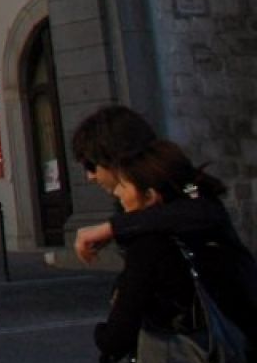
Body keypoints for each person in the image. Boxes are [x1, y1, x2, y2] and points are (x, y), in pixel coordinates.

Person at [93, 140, 257, 363]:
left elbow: (117, 337)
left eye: (123, 185)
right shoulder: (208, 229)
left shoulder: (149, 247)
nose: (118, 194)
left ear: (150, 195)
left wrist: (100, 333)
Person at [75, 106, 223, 265]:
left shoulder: (185, 184)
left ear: (114, 159)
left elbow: (199, 209)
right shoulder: (136, 205)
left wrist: (115, 227)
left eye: (91, 166)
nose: (90, 177)